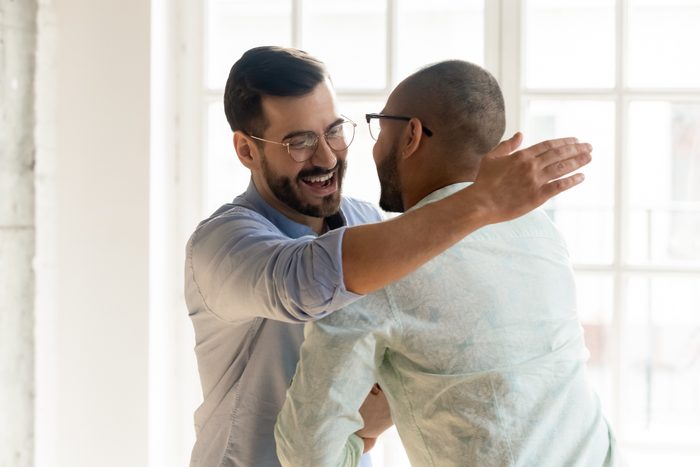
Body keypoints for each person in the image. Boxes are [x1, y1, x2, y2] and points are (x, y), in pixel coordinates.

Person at [185, 46, 592, 467]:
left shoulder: (369, 221)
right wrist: (481, 201)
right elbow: (309, 280)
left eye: (334, 131)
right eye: (300, 142)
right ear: (247, 150)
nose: (326, 157)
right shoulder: (221, 245)